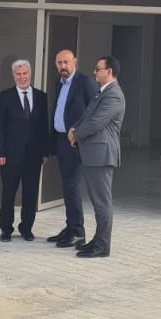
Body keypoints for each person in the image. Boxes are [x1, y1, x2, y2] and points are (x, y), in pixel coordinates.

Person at [69, 55, 125, 259]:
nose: (94, 72)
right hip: (93, 154)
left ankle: (102, 245)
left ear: (109, 71)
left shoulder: (114, 95)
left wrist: (76, 135)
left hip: (102, 155)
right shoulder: (102, 92)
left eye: (98, 69)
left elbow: (96, 122)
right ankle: (97, 240)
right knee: (96, 201)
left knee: (102, 202)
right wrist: (74, 127)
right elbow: (87, 115)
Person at [0, 59, 50, 242]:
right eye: (18, 74)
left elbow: (44, 127)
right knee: (9, 193)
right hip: (10, 155)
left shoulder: (41, 97)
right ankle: (6, 229)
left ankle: (26, 228)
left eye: (25, 73)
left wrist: (45, 152)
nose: (22, 77)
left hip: (34, 155)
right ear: (13, 75)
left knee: (30, 194)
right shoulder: (5, 97)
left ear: (30, 74)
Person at [48, 49, 98, 248]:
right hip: (62, 141)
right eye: (59, 63)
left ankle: (78, 231)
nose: (63, 66)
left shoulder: (85, 82)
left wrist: (79, 134)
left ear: (74, 62)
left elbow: (94, 112)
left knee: (73, 187)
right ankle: (70, 227)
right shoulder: (59, 84)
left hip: (77, 142)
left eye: (66, 62)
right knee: (67, 187)